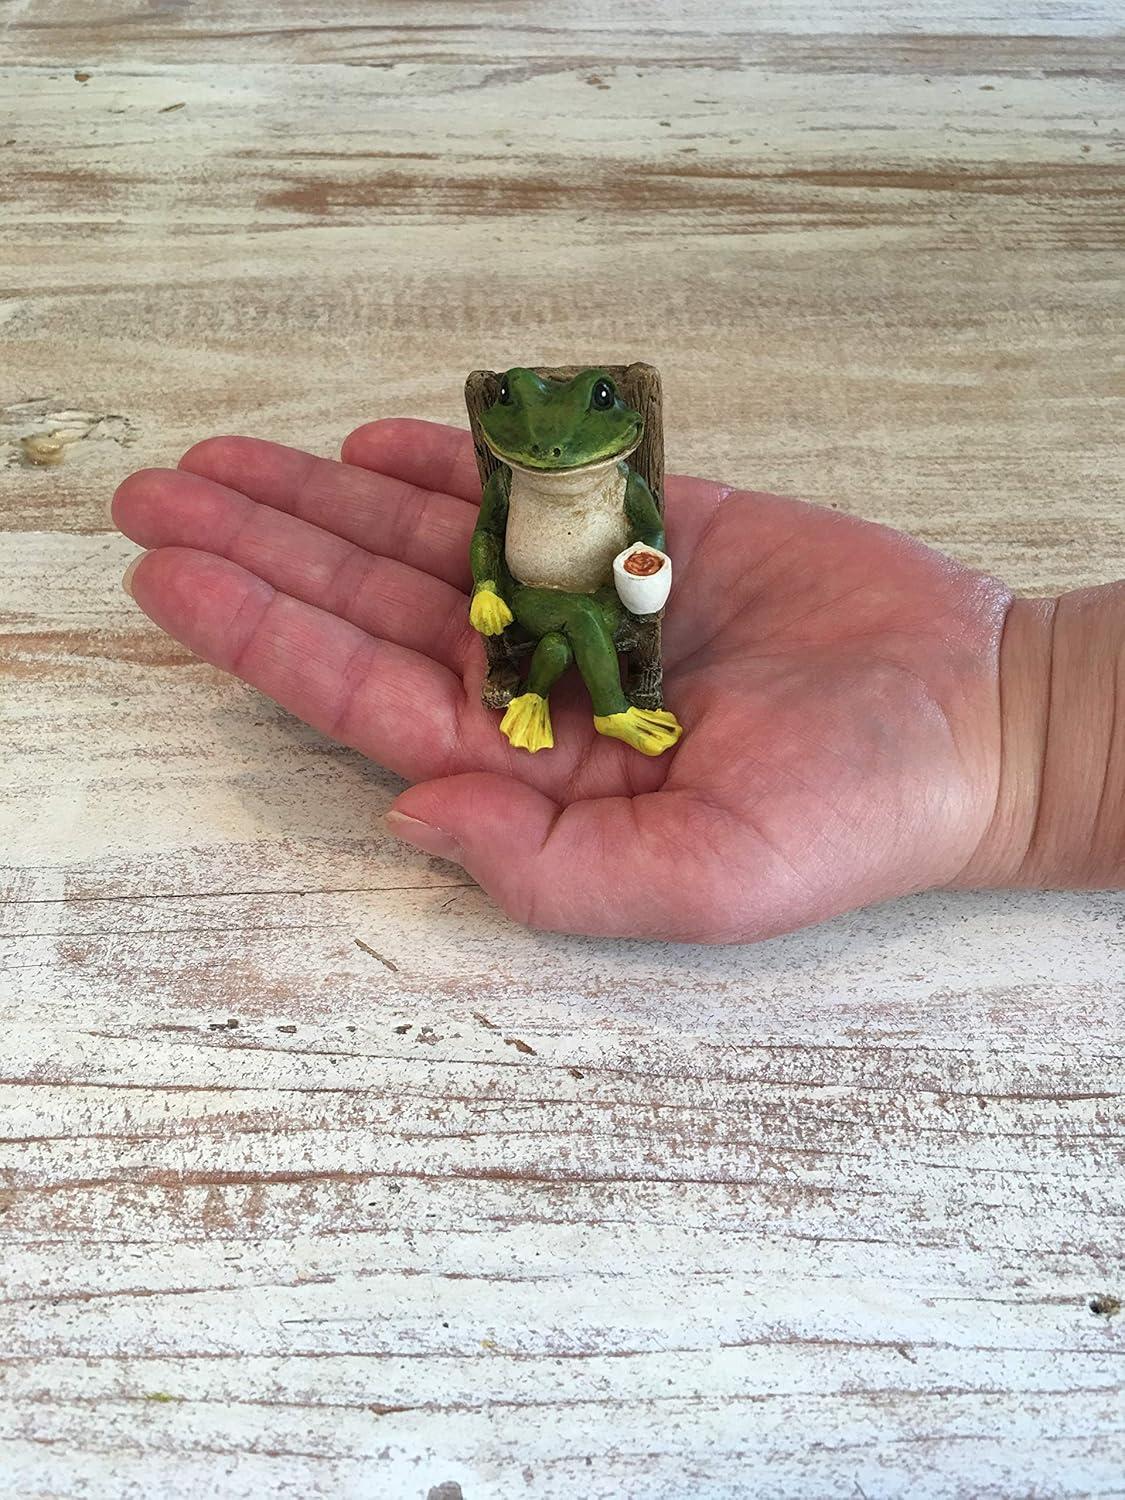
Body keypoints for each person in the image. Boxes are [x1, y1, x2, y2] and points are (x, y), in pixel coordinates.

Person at [110, 420, 1125, 943]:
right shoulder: (507, 508)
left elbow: (633, 552)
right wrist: (1024, 690)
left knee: (590, 639)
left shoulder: (628, 498)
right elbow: (485, 554)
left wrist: (1020, 723)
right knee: (542, 644)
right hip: (532, 624)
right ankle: (551, 692)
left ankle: (617, 707)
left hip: (602, 624)